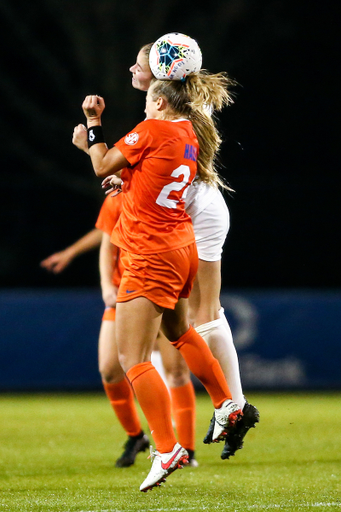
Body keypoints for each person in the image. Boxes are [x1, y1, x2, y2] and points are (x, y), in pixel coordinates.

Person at [72, 77, 243, 492]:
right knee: (180, 333)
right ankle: (227, 403)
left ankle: (166, 448)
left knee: (132, 359)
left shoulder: (152, 128)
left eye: (149, 99)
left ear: (162, 102)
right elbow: (153, 178)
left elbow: (101, 163)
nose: (144, 106)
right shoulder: (189, 132)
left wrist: (93, 125)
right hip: (181, 245)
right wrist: (126, 181)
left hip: (150, 253)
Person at [128, 43, 260, 459]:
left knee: (204, 316)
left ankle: (233, 406)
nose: (132, 67)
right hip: (195, 212)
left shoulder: (174, 114)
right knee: (191, 322)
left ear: (161, 74)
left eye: (140, 61)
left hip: (197, 214)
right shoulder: (171, 110)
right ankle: (231, 405)